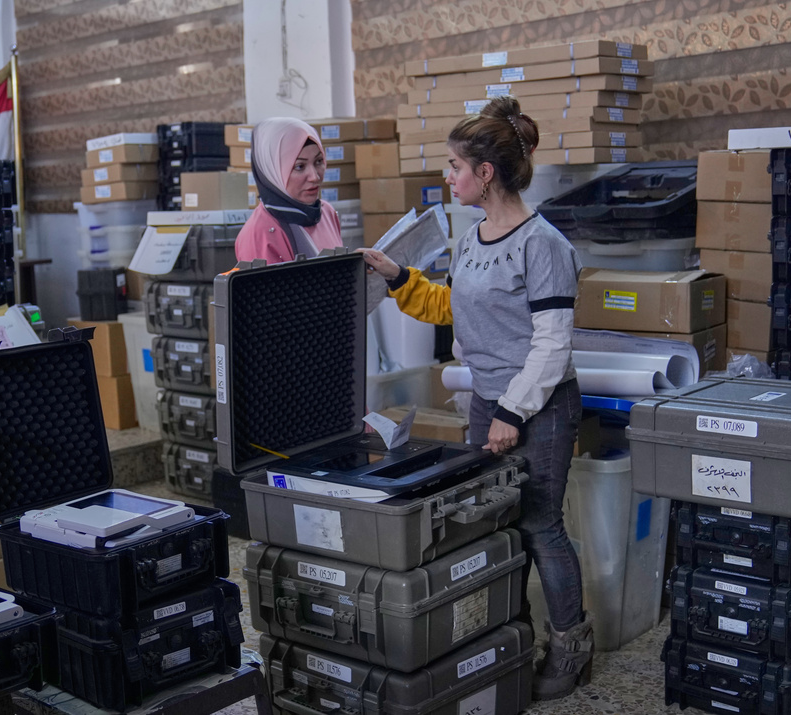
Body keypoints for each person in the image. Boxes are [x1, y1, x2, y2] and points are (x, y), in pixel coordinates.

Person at [359, 95, 591, 701]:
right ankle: (506, 641)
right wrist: (397, 278)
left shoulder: (542, 245)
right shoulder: (474, 237)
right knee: (493, 526)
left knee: (540, 526)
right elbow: (451, 307)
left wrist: (512, 413)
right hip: (490, 401)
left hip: (538, 405)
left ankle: (570, 649)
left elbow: (553, 344)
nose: (448, 176)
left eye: (456, 166)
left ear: (485, 174)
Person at [235, 117, 342, 264]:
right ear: (273, 171)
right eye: (299, 166)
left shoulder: (326, 213)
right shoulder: (260, 233)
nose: (315, 176)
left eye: (318, 162)